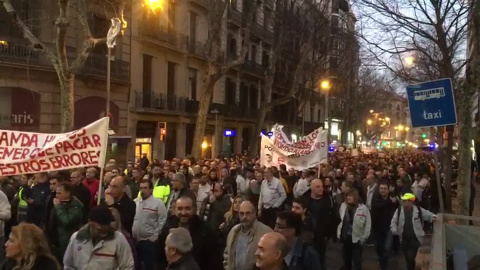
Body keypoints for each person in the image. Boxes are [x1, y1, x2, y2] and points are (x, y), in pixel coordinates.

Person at [158, 196, 222, 270]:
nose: (183, 212)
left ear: (194, 209)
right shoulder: (167, 228)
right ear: (175, 210)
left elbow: (214, 261)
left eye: (187, 208)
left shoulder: (205, 232)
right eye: (180, 208)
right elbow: (160, 257)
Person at [63, 205, 134, 269]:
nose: (103, 232)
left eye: (105, 229)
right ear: (90, 222)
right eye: (99, 229)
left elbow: (128, 266)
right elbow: (68, 265)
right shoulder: (76, 238)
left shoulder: (118, 239)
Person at [390, 193, 436, 270]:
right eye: (403, 200)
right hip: (404, 239)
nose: (404, 202)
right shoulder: (398, 210)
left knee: (411, 257)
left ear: (411, 201)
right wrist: (394, 230)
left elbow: (428, 215)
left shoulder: (418, 210)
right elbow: (393, 221)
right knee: (407, 258)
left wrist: (434, 217)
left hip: (415, 239)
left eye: (406, 200)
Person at [224, 201, 272, 270]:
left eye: (248, 213)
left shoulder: (266, 232)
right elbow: (227, 254)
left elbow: (271, 260)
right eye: (241, 213)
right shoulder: (234, 231)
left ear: (254, 213)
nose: (244, 217)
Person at [133, 179, 167, 270]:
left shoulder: (158, 203)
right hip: (135, 240)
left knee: (149, 266)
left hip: (149, 241)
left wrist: (155, 236)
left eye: (145, 188)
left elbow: (162, 220)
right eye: (141, 188)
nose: (142, 190)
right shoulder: (135, 202)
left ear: (151, 189)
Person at [48, 182, 84, 263]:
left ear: (68, 193)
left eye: (59, 193)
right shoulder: (60, 202)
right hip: (55, 239)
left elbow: (67, 221)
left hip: (66, 240)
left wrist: (59, 207)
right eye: (56, 193)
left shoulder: (76, 206)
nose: (56, 195)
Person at [337, 189, 371, 270]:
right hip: (346, 238)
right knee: (346, 260)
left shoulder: (363, 208)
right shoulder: (343, 206)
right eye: (347, 195)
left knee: (357, 261)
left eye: (350, 196)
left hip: (357, 239)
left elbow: (368, 224)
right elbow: (340, 221)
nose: (348, 197)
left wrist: (363, 238)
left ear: (355, 197)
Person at [303, 179, 333, 268]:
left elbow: (333, 217)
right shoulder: (305, 199)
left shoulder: (328, 200)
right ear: (312, 188)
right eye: (318, 187)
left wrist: (328, 234)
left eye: (322, 186)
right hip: (307, 234)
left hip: (322, 235)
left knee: (320, 258)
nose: (321, 189)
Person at [372, 182, 399, 270]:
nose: (382, 190)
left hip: (389, 227)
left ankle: (383, 266)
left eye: (384, 188)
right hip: (378, 227)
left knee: (387, 249)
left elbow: (397, 210)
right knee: (379, 247)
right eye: (381, 188)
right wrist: (390, 201)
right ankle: (381, 259)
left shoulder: (394, 200)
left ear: (388, 190)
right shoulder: (376, 199)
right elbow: (379, 205)